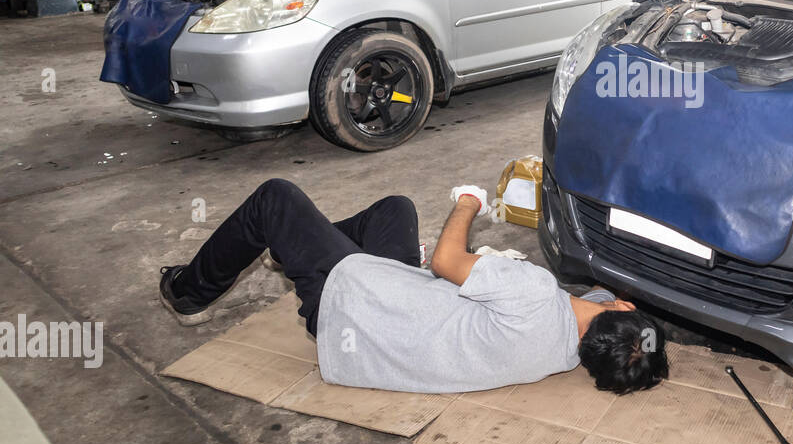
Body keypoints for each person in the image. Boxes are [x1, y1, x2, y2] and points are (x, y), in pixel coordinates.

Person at [158, 179, 668, 395]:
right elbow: (595, 312)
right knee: (394, 210)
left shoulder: (538, 295)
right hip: (385, 323)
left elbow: (447, 261)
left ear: (621, 305)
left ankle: (187, 292)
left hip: (349, 304)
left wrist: (469, 201)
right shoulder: (561, 355)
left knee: (276, 197)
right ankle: (293, 248)